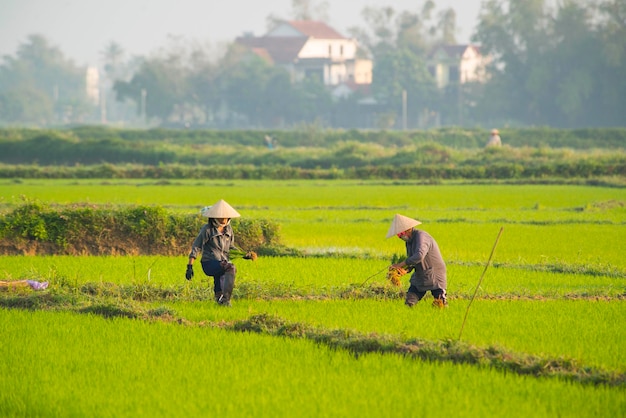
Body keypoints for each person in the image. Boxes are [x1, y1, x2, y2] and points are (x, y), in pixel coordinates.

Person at [185, 199, 242, 307]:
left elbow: (231, 247)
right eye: (221, 217)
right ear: (214, 217)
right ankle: (226, 300)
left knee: (221, 275)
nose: (223, 220)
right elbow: (196, 247)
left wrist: (244, 255)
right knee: (230, 267)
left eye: (225, 217)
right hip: (209, 263)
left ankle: (219, 299)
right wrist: (190, 266)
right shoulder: (207, 230)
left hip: (221, 261)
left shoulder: (229, 230)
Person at [386, 214, 447, 307]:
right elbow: (412, 261)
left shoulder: (421, 236)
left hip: (434, 273)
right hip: (420, 274)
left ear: (407, 229)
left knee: (440, 302)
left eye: (400, 234)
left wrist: (400, 264)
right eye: (398, 235)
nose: (399, 237)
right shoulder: (409, 242)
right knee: (409, 301)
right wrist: (404, 270)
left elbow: (419, 256)